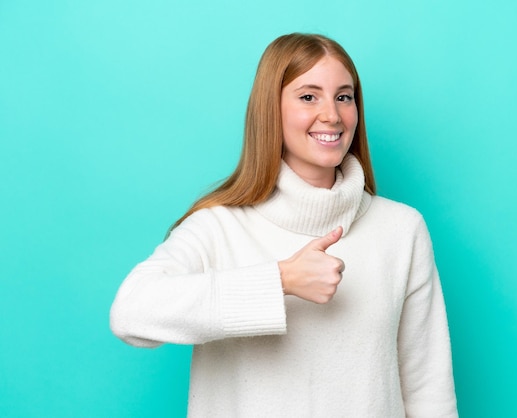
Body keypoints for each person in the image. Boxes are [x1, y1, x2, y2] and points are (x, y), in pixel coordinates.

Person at [110, 33, 458, 417]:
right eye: (309, 96)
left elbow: (429, 392)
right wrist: (280, 281)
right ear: (270, 110)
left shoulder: (401, 229)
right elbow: (131, 313)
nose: (332, 115)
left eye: (344, 96)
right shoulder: (218, 227)